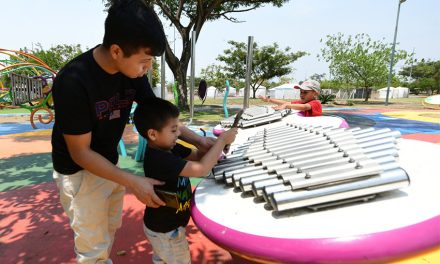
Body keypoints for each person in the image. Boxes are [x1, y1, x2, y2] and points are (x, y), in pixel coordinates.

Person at [50, 1, 215, 263]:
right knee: (93, 248)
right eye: (144, 61)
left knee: (109, 230)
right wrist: (131, 180)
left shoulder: (132, 73)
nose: (147, 68)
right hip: (80, 173)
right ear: (116, 50)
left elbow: (160, 117)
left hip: (109, 165)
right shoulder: (73, 81)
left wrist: (199, 141)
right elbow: (80, 153)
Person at [133, 97, 238, 264]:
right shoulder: (159, 159)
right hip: (166, 230)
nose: (179, 134)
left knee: (163, 259)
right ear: (153, 134)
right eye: (174, 130)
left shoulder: (170, 147)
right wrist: (221, 141)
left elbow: (197, 157)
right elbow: (201, 169)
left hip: (167, 226)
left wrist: (209, 147)